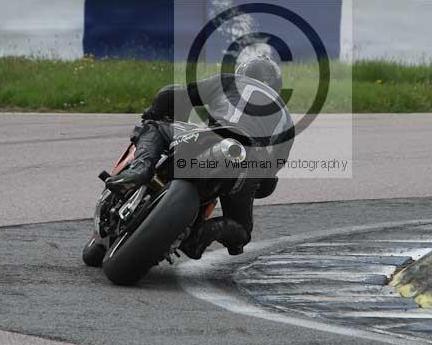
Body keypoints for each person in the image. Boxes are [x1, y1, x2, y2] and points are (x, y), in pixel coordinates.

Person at [105, 55, 294, 260]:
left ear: (244, 73)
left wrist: (154, 112)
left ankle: (139, 170)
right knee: (242, 231)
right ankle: (204, 234)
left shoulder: (230, 81)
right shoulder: (287, 120)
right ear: (277, 85)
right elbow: (272, 170)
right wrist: (253, 184)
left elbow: (177, 94)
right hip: (249, 165)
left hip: (216, 135)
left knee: (155, 127)